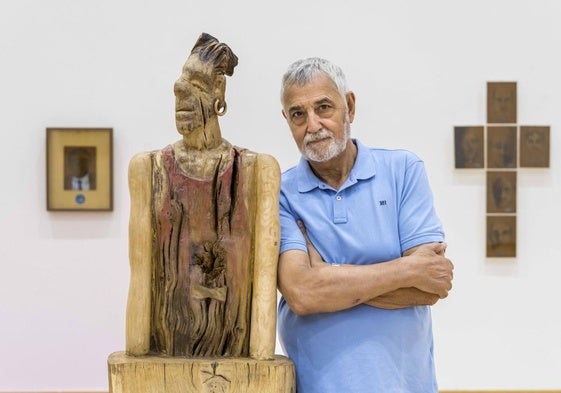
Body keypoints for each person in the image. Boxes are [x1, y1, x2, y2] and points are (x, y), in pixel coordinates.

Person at [276, 57, 454, 392]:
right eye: (298, 114)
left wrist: (328, 273)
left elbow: (431, 285)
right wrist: (407, 269)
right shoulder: (279, 194)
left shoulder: (403, 171)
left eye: (324, 107)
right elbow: (302, 293)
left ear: (350, 106)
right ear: (287, 119)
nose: (312, 125)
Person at [125, 33, 280, 359]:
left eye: (195, 84)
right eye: (180, 84)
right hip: (167, 353)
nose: (180, 92)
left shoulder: (257, 171)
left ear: (218, 93)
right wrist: (137, 359)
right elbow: (140, 277)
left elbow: (265, 282)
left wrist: (260, 362)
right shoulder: (148, 169)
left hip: (236, 358)